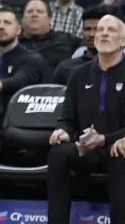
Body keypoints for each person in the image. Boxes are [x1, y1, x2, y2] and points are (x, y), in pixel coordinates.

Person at [47, 15, 125, 224]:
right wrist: (62, 130)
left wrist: (107, 139)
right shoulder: (79, 74)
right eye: (100, 30)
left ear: (123, 40)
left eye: (111, 30)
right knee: (58, 154)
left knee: (120, 155)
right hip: (88, 146)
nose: (104, 33)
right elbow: (67, 117)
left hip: (118, 144)